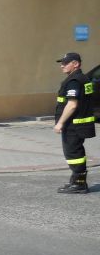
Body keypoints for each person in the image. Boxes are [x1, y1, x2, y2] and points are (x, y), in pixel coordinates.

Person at [54, 52, 96, 194]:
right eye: (62, 63)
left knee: (73, 153)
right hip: (79, 124)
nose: (62, 66)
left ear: (76, 64)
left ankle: (79, 184)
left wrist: (60, 123)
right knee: (76, 151)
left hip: (74, 125)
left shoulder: (75, 81)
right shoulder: (82, 78)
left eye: (66, 63)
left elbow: (72, 104)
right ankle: (76, 180)